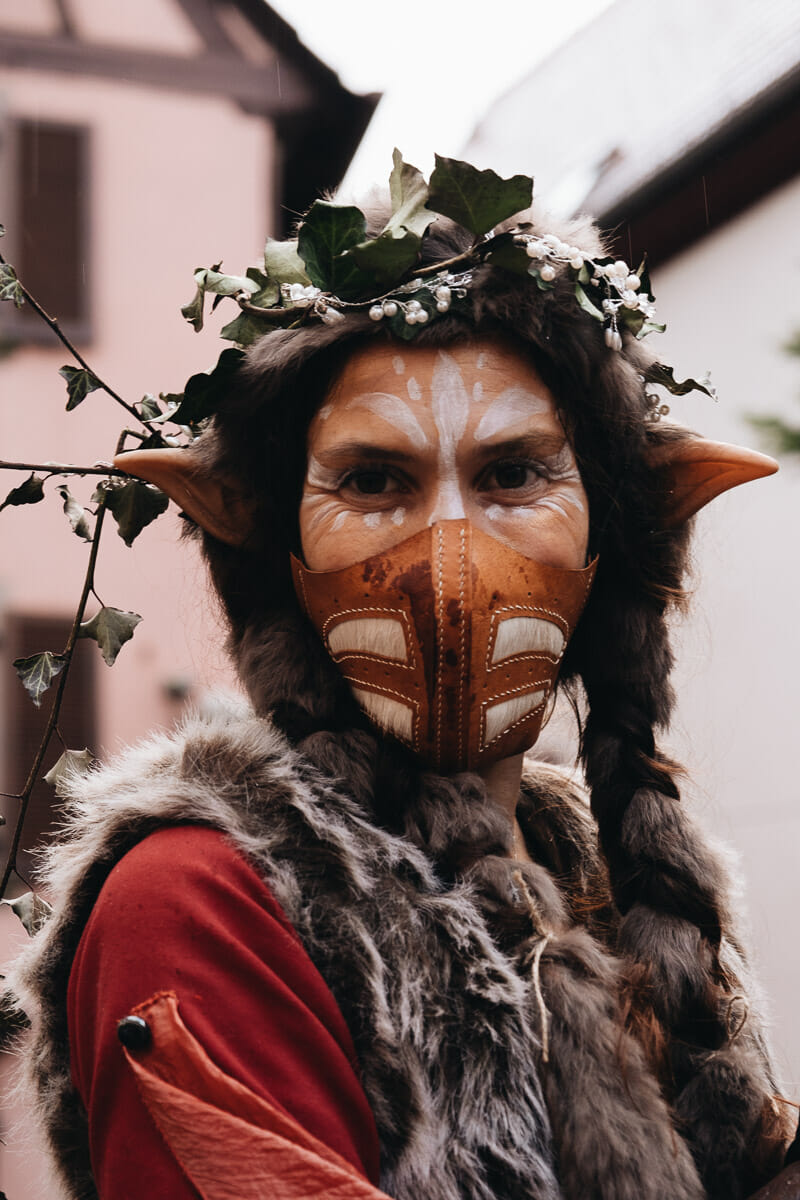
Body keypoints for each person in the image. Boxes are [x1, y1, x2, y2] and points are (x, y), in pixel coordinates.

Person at [8, 155, 798, 1200]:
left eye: (513, 473)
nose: (449, 555)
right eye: (373, 480)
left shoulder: (608, 892)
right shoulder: (200, 899)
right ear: (279, 543)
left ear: (609, 530)